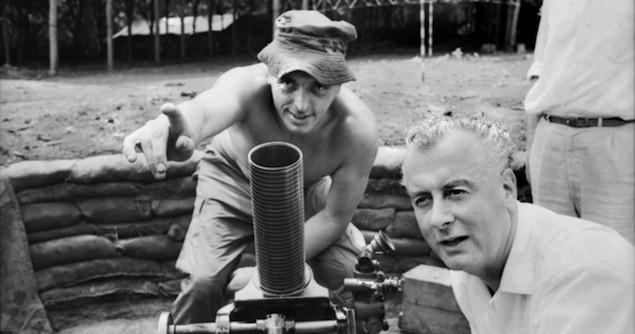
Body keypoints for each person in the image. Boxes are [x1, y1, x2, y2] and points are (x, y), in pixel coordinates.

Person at [122, 10, 378, 324]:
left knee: (346, 275)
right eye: (288, 82)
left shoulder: (357, 130)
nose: (300, 105)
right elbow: (206, 107)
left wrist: (261, 276)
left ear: (339, 85)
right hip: (232, 179)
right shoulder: (245, 85)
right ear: (269, 72)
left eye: (319, 87)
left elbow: (334, 216)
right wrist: (177, 127)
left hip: (303, 192)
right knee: (202, 285)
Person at [400, 116, 634, 334]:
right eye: (423, 200)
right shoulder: (470, 264)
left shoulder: (586, 279)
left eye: (456, 192)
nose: (438, 219)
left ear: (507, 188)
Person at [523, 0, 635, 244]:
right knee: (551, 252)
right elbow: (540, 69)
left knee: (615, 257)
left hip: (614, 142)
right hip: (550, 138)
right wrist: (532, 146)